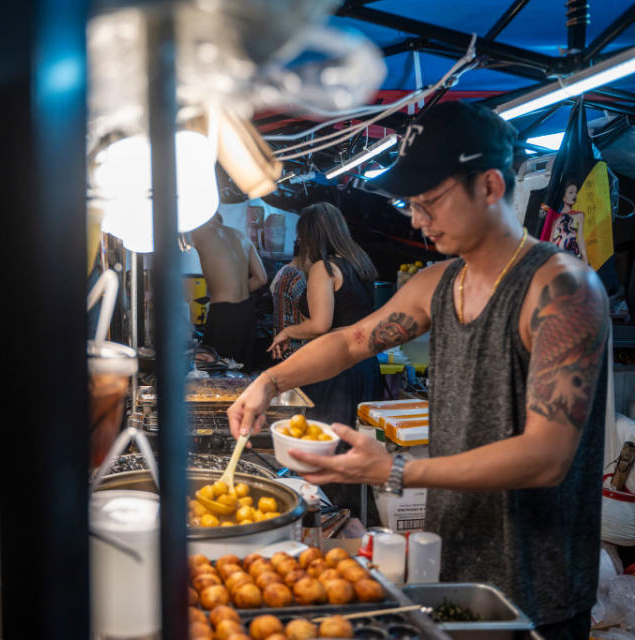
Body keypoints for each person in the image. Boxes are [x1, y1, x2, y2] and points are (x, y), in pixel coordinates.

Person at [227, 101, 608, 638]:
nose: (416, 218)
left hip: (537, 581)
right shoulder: (438, 283)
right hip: (452, 558)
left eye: (429, 200)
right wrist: (267, 382)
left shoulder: (561, 290)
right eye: (411, 203)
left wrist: (394, 471)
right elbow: (350, 341)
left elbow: (545, 456)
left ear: (491, 187)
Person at [269, 202, 380, 427]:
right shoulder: (360, 263)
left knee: (329, 442)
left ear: (309, 235)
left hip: (338, 365)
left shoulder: (324, 268)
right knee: (356, 440)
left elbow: (320, 324)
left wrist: (288, 331)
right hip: (366, 363)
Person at [190, 212, 267, 367]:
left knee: (213, 370)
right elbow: (261, 278)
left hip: (223, 315)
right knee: (238, 374)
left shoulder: (199, 231)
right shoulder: (242, 236)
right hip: (246, 314)